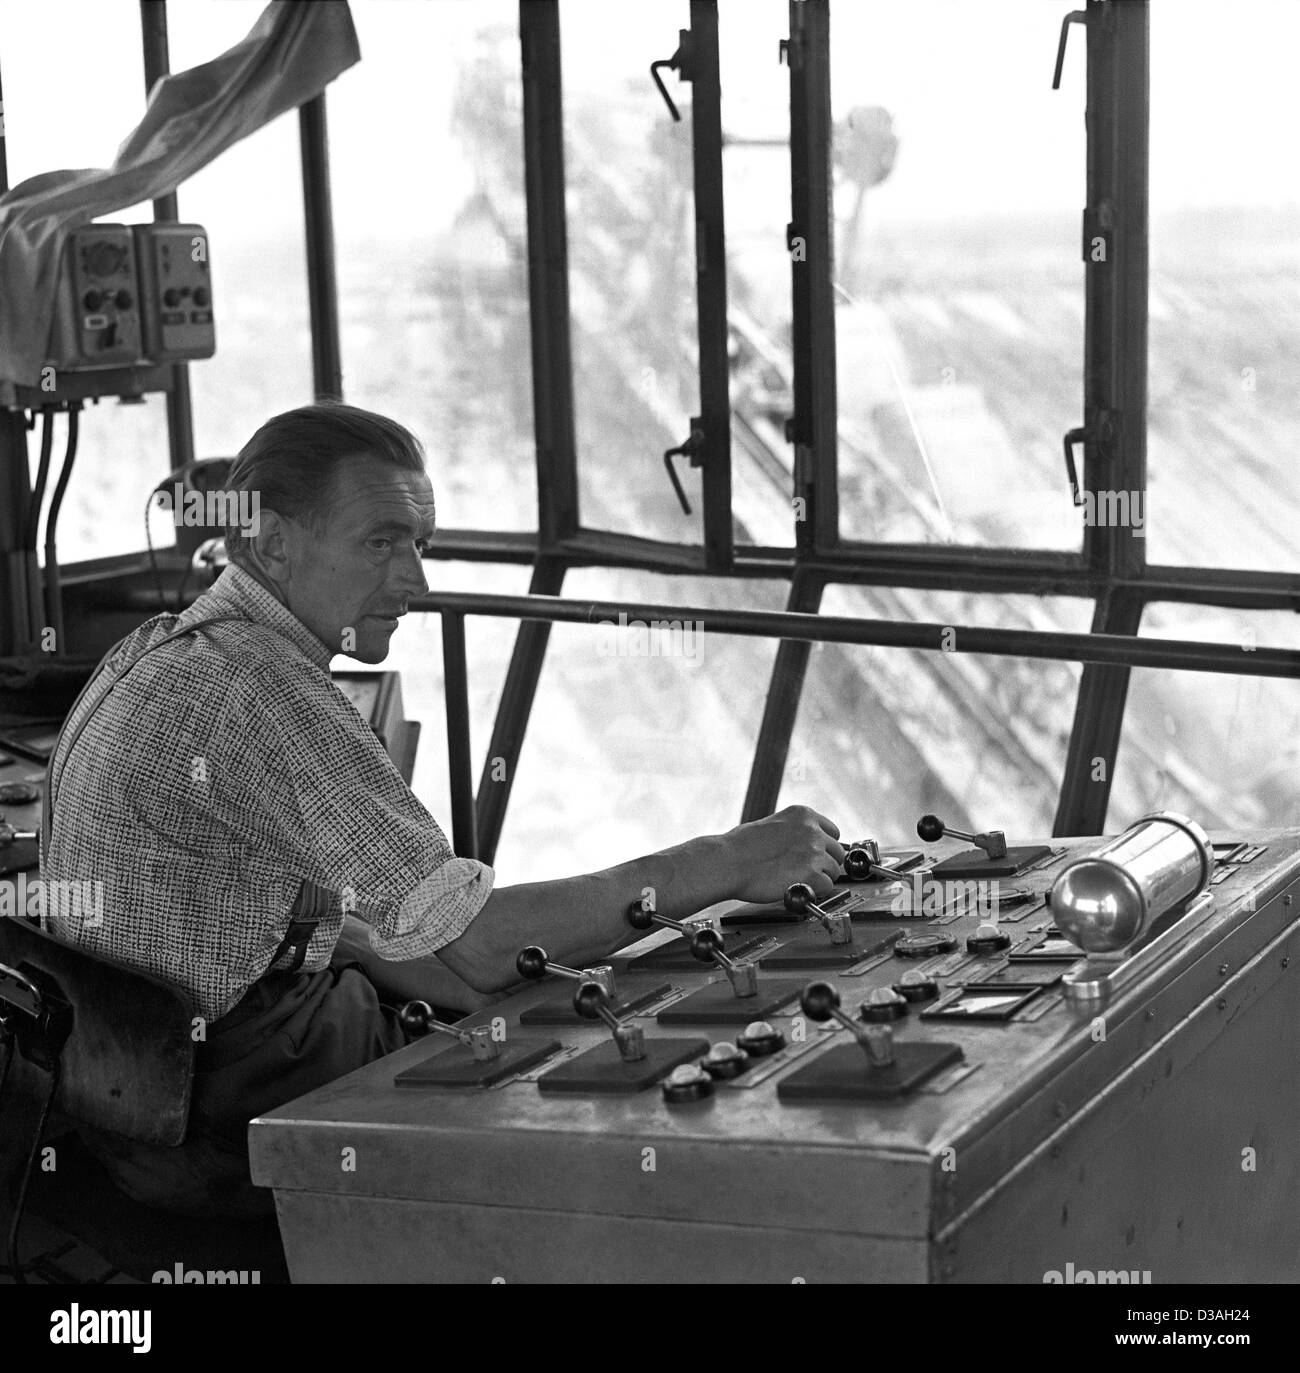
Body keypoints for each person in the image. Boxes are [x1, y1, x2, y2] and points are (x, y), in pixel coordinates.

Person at [41, 401, 844, 1217]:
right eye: (380, 542)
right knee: (611, 1114)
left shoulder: (161, 648)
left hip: (138, 1110)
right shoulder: (262, 687)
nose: (415, 581)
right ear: (273, 541)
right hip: (233, 1111)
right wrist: (728, 860)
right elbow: (484, 948)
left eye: (419, 544)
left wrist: (500, 968)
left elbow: (357, 927)